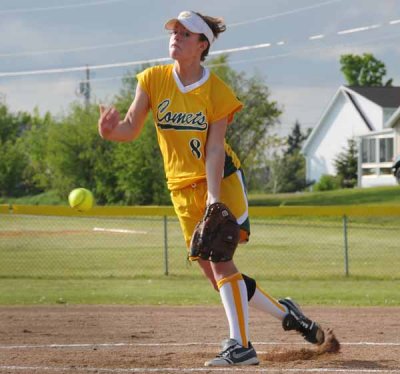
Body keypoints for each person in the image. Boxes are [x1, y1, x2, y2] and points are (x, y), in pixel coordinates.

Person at [98, 10, 325, 367]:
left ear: (202, 44)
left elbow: (215, 147)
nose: (176, 35)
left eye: (185, 33)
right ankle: (287, 315)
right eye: (174, 30)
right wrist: (111, 131)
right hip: (181, 188)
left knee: (221, 262)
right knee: (214, 272)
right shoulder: (153, 79)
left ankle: (241, 346)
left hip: (219, 179)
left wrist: (215, 198)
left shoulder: (216, 90)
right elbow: (130, 126)